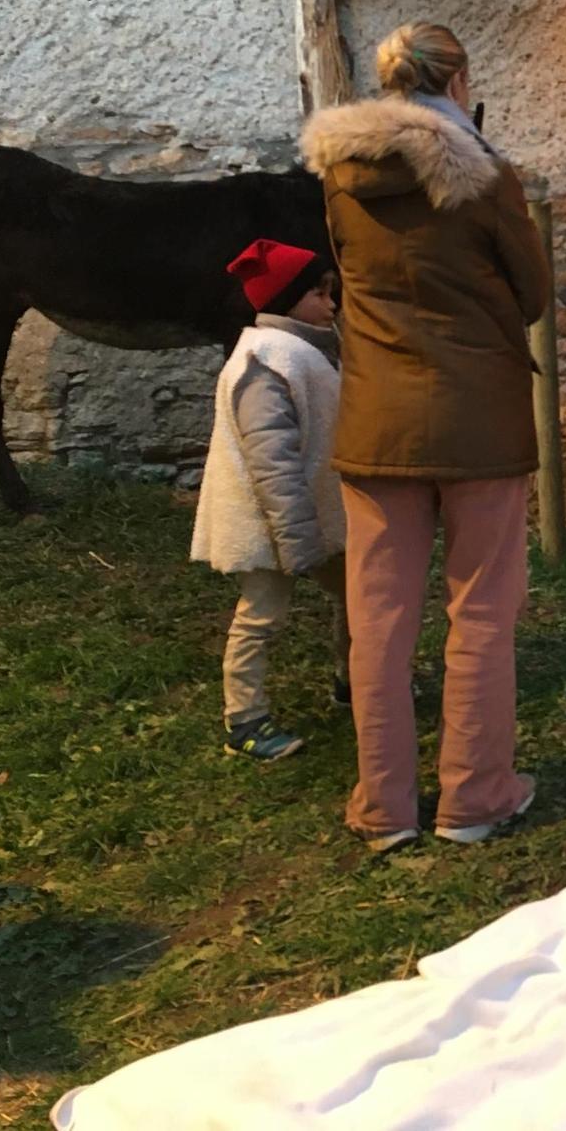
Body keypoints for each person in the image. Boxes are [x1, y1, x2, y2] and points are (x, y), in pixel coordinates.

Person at [300, 21, 551, 853]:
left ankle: (384, 809)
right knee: (480, 609)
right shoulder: (486, 182)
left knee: (378, 615)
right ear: (460, 77)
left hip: (377, 423)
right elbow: (533, 293)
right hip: (479, 417)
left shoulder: (339, 178)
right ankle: (476, 800)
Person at [190, 239, 350, 762]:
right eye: (320, 294)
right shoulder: (266, 361)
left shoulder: (309, 352)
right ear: (286, 299)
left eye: (333, 292)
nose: (332, 304)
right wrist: (295, 537)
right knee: (261, 615)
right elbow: (271, 460)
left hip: (309, 515)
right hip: (268, 521)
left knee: (358, 596)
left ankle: (355, 681)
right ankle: (245, 719)